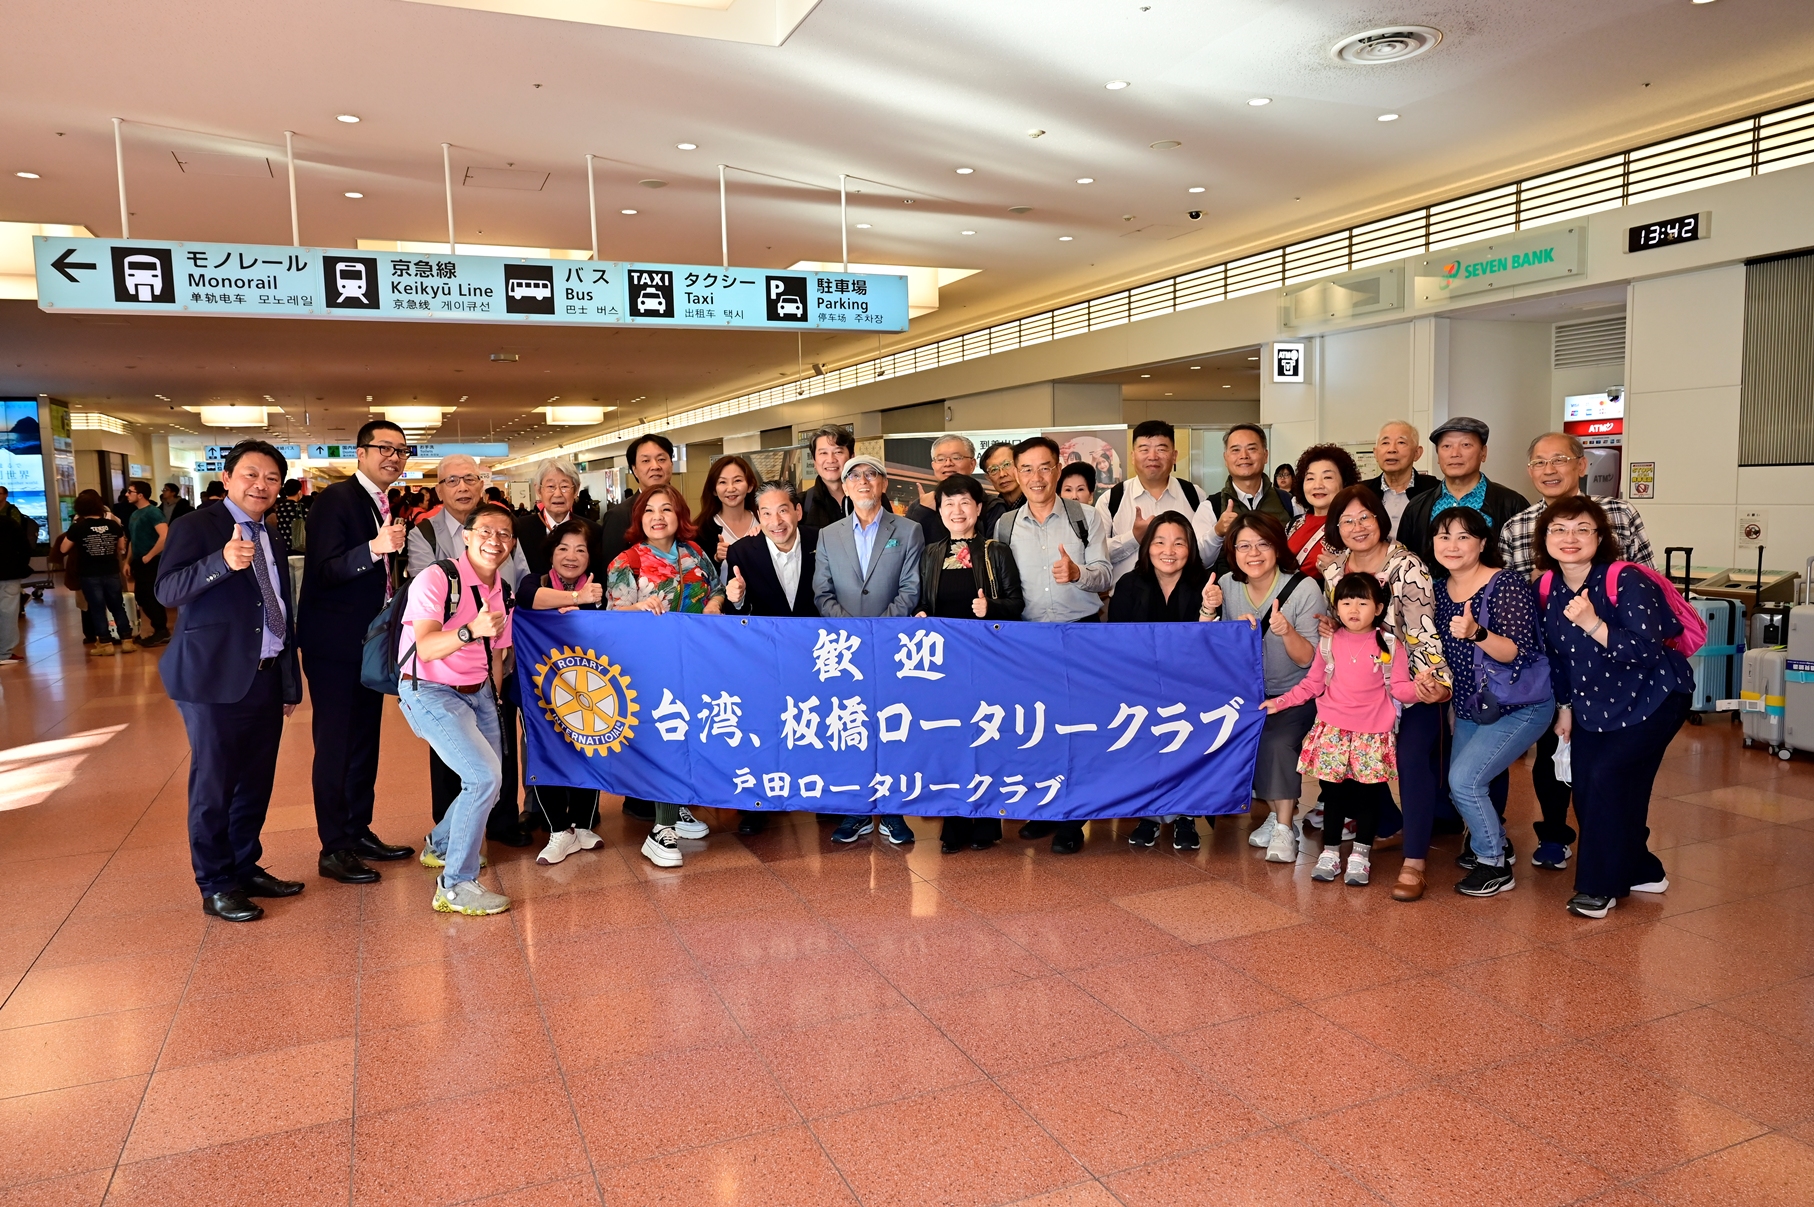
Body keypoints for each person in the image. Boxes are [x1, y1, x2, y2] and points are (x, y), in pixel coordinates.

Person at [155, 440, 304, 923]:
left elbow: (279, 607)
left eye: (272, 478)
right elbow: (166, 590)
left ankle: (244, 865)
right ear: (227, 479)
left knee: (255, 782)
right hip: (212, 677)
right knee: (215, 784)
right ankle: (216, 883)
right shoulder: (196, 526)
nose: (261, 485)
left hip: (264, 675)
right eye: (251, 475)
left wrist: (288, 681)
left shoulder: (271, 533)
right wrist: (220, 562)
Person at [1498, 431, 1655, 871]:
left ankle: (1620, 845)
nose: (1549, 470)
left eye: (1559, 460)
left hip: (1616, 657)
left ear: (1582, 465)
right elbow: (1508, 595)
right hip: (1553, 660)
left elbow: (1650, 580)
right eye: (1539, 462)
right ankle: (1553, 835)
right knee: (1553, 748)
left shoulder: (1619, 513)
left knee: (1610, 760)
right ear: (1529, 471)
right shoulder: (1517, 527)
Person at [1538, 497, 1695, 919]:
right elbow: (1557, 658)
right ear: (1545, 538)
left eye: (1582, 529)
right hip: (1593, 704)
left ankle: (1598, 887)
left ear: (1600, 537)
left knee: (1606, 778)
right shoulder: (1546, 587)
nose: (1570, 538)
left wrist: (1593, 623)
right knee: (1593, 787)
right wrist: (1565, 708)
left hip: (1654, 698)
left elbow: (1646, 652)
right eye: (1559, 529)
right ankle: (1643, 869)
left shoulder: (1625, 579)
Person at [1318, 485, 1455, 901]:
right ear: (1336, 527)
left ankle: (1414, 862)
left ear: (1380, 519)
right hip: (1359, 687)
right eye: (1347, 520)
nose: (1357, 526)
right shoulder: (1334, 569)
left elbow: (1421, 628)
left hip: (1409, 680)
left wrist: (1434, 682)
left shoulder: (1407, 565)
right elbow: (1341, 619)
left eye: (1365, 517)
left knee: (1410, 758)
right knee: (1349, 751)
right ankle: (1392, 823)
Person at [297, 419, 417, 886]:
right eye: (384, 448)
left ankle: (357, 830)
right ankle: (334, 846)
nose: (394, 457)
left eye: (401, 450)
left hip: (369, 643)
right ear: (360, 453)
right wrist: (374, 547)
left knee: (365, 741)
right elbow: (323, 571)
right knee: (336, 744)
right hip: (335, 644)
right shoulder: (336, 499)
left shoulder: (382, 501)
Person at [395, 504, 519, 916]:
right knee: (483, 778)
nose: (494, 541)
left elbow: (497, 654)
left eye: (504, 534)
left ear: (512, 544)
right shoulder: (437, 578)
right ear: (466, 536)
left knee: (492, 782)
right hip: (429, 690)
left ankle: (441, 844)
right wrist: (470, 630)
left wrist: (492, 701)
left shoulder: (502, 589)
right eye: (485, 531)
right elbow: (427, 647)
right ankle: (455, 886)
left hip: (479, 692)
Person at [409, 454, 535, 845]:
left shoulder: (504, 529)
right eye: (452, 481)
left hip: (495, 658)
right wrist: (470, 629)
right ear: (439, 489)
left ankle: (501, 821)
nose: (462, 487)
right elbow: (426, 603)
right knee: (456, 755)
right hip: (445, 670)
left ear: (482, 484)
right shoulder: (425, 534)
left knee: (500, 746)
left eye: (470, 478)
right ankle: (454, 835)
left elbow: (523, 582)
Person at [1264, 573, 1419, 887]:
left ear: (1378, 608)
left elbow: (1401, 687)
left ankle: (1361, 855)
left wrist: (1422, 690)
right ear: (1336, 607)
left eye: (1363, 602)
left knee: (1367, 798)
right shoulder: (1329, 642)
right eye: (1346, 602)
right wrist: (1281, 702)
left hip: (1372, 735)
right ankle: (1330, 852)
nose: (1354, 609)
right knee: (1333, 796)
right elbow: (1312, 684)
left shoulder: (1390, 645)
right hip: (1332, 731)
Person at [998, 437, 1115, 853]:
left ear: (1058, 469)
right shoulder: (1005, 525)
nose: (1036, 477)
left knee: (1078, 729)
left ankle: (1073, 817)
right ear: (1016, 473)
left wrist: (1078, 573)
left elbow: (1105, 575)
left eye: (1044, 467)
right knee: (1039, 728)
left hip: (1080, 635)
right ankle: (1045, 808)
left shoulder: (1086, 517)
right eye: (1026, 469)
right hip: (1029, 640)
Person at [1431, 507, 1554, 898]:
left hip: (1520, 705)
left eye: (1463, 537)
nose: (1452, 545)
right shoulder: (1437, 589)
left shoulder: (1506, 584)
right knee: (1458, 786)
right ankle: (1497, 842)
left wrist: (1476, 633)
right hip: (1474, 706)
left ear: (1483, 543)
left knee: (1465, 782)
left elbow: (1516, 651)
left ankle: (1494, 865)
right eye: (1443, 536)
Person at [605, 485, 726, 867]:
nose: (658, 517)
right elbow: (611, 617)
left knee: (690, 736)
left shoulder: (694, 553)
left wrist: (715, 605)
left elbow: (716, 589)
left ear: (680, 516)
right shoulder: (627, 562)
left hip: (696, 660)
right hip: (651, 665)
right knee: (667, 738)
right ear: (639, 518)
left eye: (667, 510)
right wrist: (639, 607)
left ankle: (677, 807)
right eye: (650, 510)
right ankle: (661, 830)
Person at [810, 454, 924, 846]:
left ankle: (893, 812)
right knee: (850, 726)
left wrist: (880, 631)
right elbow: (822, 591)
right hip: (844, 651)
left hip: (892, 646)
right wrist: (852, 631)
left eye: (871, 474)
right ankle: (856, 810)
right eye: (854, 476)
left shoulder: (907, 530)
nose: (863, 481)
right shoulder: (829, 534)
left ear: (883, 483)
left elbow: (910, 588)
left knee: (893, 728)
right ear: (844, 486)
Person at [1202, 512, 1327, 863]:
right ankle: (1275, 813)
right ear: (1232, 551)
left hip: (1294, 693)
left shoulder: (1304, 588)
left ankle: (1285, 827)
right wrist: (1209, 609)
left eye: (1262, 544)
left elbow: (1308, 660)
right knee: (1241, 740)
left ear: (1277, 548)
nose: (1253, 553)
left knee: (1275, 742)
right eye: (1244, 546)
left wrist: (1286, 631)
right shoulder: (1226, 585)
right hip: (1245, 694)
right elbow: (1207, 644)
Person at [914, 474, 1024, 854]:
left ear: (978, 508)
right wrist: (920, 613)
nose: (956, 511)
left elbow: (1016, 604)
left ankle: (987, 823)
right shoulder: (930, 554)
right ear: (940, 510)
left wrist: (989, 608)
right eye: (948, 503)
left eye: (964, 502)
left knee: (986, 737)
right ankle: (954, 822)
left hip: (986, 663)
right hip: (944, 666)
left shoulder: (996, 551)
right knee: (949, 740)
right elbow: (922, 600)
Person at [1107, 510, 1222, 852]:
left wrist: (1209, 609)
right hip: (1140, 687)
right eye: (1159, 542)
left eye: (1178, 543)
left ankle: (1186, 815)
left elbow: (1211, 645)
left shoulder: (1206, 585)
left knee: (1187, 747)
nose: (1168, 551)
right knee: (1145, 748)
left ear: (1191, 548)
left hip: (1192, 687)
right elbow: (1115, 642)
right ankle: (1149, 814)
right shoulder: (1128, 584)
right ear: (1147, 547)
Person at [722, 481, 819, 834]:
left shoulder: (822, 540)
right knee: (764, 728)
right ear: (758, 518)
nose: (776, 521)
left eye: (782, 510)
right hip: (765, 658)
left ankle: (823, 797)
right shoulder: (742, 552)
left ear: (797, 511)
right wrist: (735, 599)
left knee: (816, 723)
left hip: (814, 654)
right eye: (766, 513)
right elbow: (737, 614)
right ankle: (759, 803)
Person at [515, 519, 609, 866]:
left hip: (589, 689)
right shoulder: (534, 582)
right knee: (545, 751)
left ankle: (582, 824)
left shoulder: (599, 590)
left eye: (580, 550)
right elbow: (527, 599)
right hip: (540, 689)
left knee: (591, 748)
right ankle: (558, 829)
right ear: (551, 552)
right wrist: (576, 599)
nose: (571, 556)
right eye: (563, 548)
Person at [1096, 420, 1217, 590]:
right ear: (1133, 456)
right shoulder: (1111, 499)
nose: (1152, 456)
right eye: (1144, 449)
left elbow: (1204, 555)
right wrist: (1134, 538)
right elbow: (1097, 555)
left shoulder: (1194, 495)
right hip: (1128, 599)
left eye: (1161, 449)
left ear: (1174, 456)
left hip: (1184, 598)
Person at [1395, 417, 1530, 570]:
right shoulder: (1417, 507)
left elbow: (1526, 566)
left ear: (1483, 453)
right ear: (1438, 455)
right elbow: (1404, 564)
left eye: (1466, 445)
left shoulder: (1512, 504)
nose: (1455, 453)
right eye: (1446, 446)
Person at [1205, 424, 1294, 574]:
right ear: (1225, 458)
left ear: (1265, 455)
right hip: (1230, 587)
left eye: (1252, 448)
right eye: (1235, 450)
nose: (1244, 456)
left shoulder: (1288, 502)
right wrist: (1217, 532)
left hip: (1282, 585)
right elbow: (1199, 560)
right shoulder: (1210, 506)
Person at [59, 491, 136, 656]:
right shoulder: (113, 525)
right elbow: (121, 547)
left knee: (97, 608)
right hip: (111, 571)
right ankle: (127, 641)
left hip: (89, 573)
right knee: (117, 606)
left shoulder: (78, 527)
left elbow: (63, 548)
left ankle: (105, 643)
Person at [1285, 444, 1361, 579]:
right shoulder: (1294, 523)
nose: (1318, 485)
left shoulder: (1354, 527)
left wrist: (1340, 570)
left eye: (1327, 477)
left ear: (1344, 483)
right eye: (1310, 478)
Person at [599, 434, 676, 568]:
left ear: (671, 464)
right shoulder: (619, 516)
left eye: (661, 459)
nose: (655, 466)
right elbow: (611, 569)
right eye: (646, 461)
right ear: (634, 470)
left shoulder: (679, 507)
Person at [906, 434, 988, 546]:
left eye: (956, 458)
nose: (948, 463)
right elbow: (908, 545)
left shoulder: (990, 504)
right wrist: (923, 511)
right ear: (933, 465)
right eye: (940, 459)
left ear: (972, 464)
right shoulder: (919, 507)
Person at [1364, 422, 1441, 541]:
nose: (1392, 449)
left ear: (1417, 453)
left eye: (1401, 442)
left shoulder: (1435, 490)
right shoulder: (1363, 492)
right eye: (1385, 443)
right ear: (1375, 453)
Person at [515, 459, 591, 577]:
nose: (558, 494)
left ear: (576, 490)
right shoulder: (520, 529)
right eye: (551, 486)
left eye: (564, 486)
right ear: (539, 490)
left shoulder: (592, 531)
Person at [122, 480, 171, 646]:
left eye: (130, 492)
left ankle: (161, 630)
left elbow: (165, 536)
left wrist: (150, 555)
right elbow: (133, 541)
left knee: (150, 595)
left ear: (140, 495)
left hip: (152, 561)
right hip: (140, 561)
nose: (127, 494)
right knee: (142, 596)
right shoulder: (134, 514)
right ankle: (159, 629)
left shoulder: (153, 513)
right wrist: (128, 561)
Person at [697, 454, 762, 564]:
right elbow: (698, 571)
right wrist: (717, 559)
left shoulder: (764, 521)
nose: (731, 489)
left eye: (737, 480)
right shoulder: (703, 531)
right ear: (714, 490)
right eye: (722, 482)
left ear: (750, 486)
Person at [0, 485, 35, 665]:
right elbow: (25, 547)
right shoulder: (9, 523)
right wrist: (21, 565)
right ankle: (4, 652)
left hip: (10, 571)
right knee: (8, 612)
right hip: (9, 572)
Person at [801, 426, 856, 531]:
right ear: (814, 461)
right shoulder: (801, 504)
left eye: (838, 452)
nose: (831, 460)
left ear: (852, 457)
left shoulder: (871, 499)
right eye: (823, 453)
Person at [981, 441, 1024, 512]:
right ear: (988, 478)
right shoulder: (991, 509)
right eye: (994, 470)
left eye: (1007, 465)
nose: (1002, 474)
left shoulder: (1037, 502)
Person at [270, 479, 304, 555]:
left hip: (282, 546)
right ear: (299, 492)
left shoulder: (280, 508)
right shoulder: (301, 508)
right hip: (299, 547)